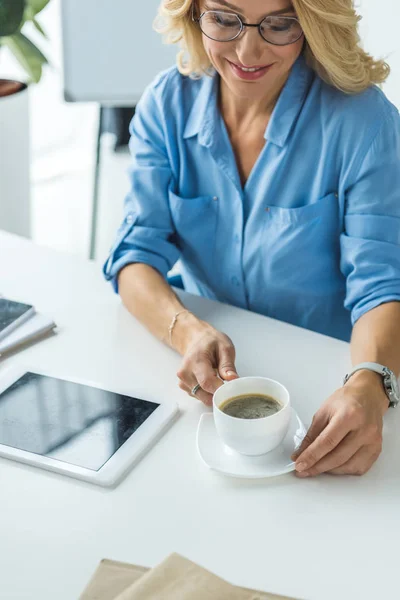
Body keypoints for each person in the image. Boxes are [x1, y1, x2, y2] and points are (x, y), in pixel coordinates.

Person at [103, 0, 400, 477]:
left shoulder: (364, 123)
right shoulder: (167, 103)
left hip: (332, 379)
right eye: (224, 19)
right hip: (211, 388)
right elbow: (134, 257)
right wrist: (188, 330)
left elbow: (383, 286)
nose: (247, 50)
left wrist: (370, 384)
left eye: (279, 24)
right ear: (194, 13)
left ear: (313, 25)